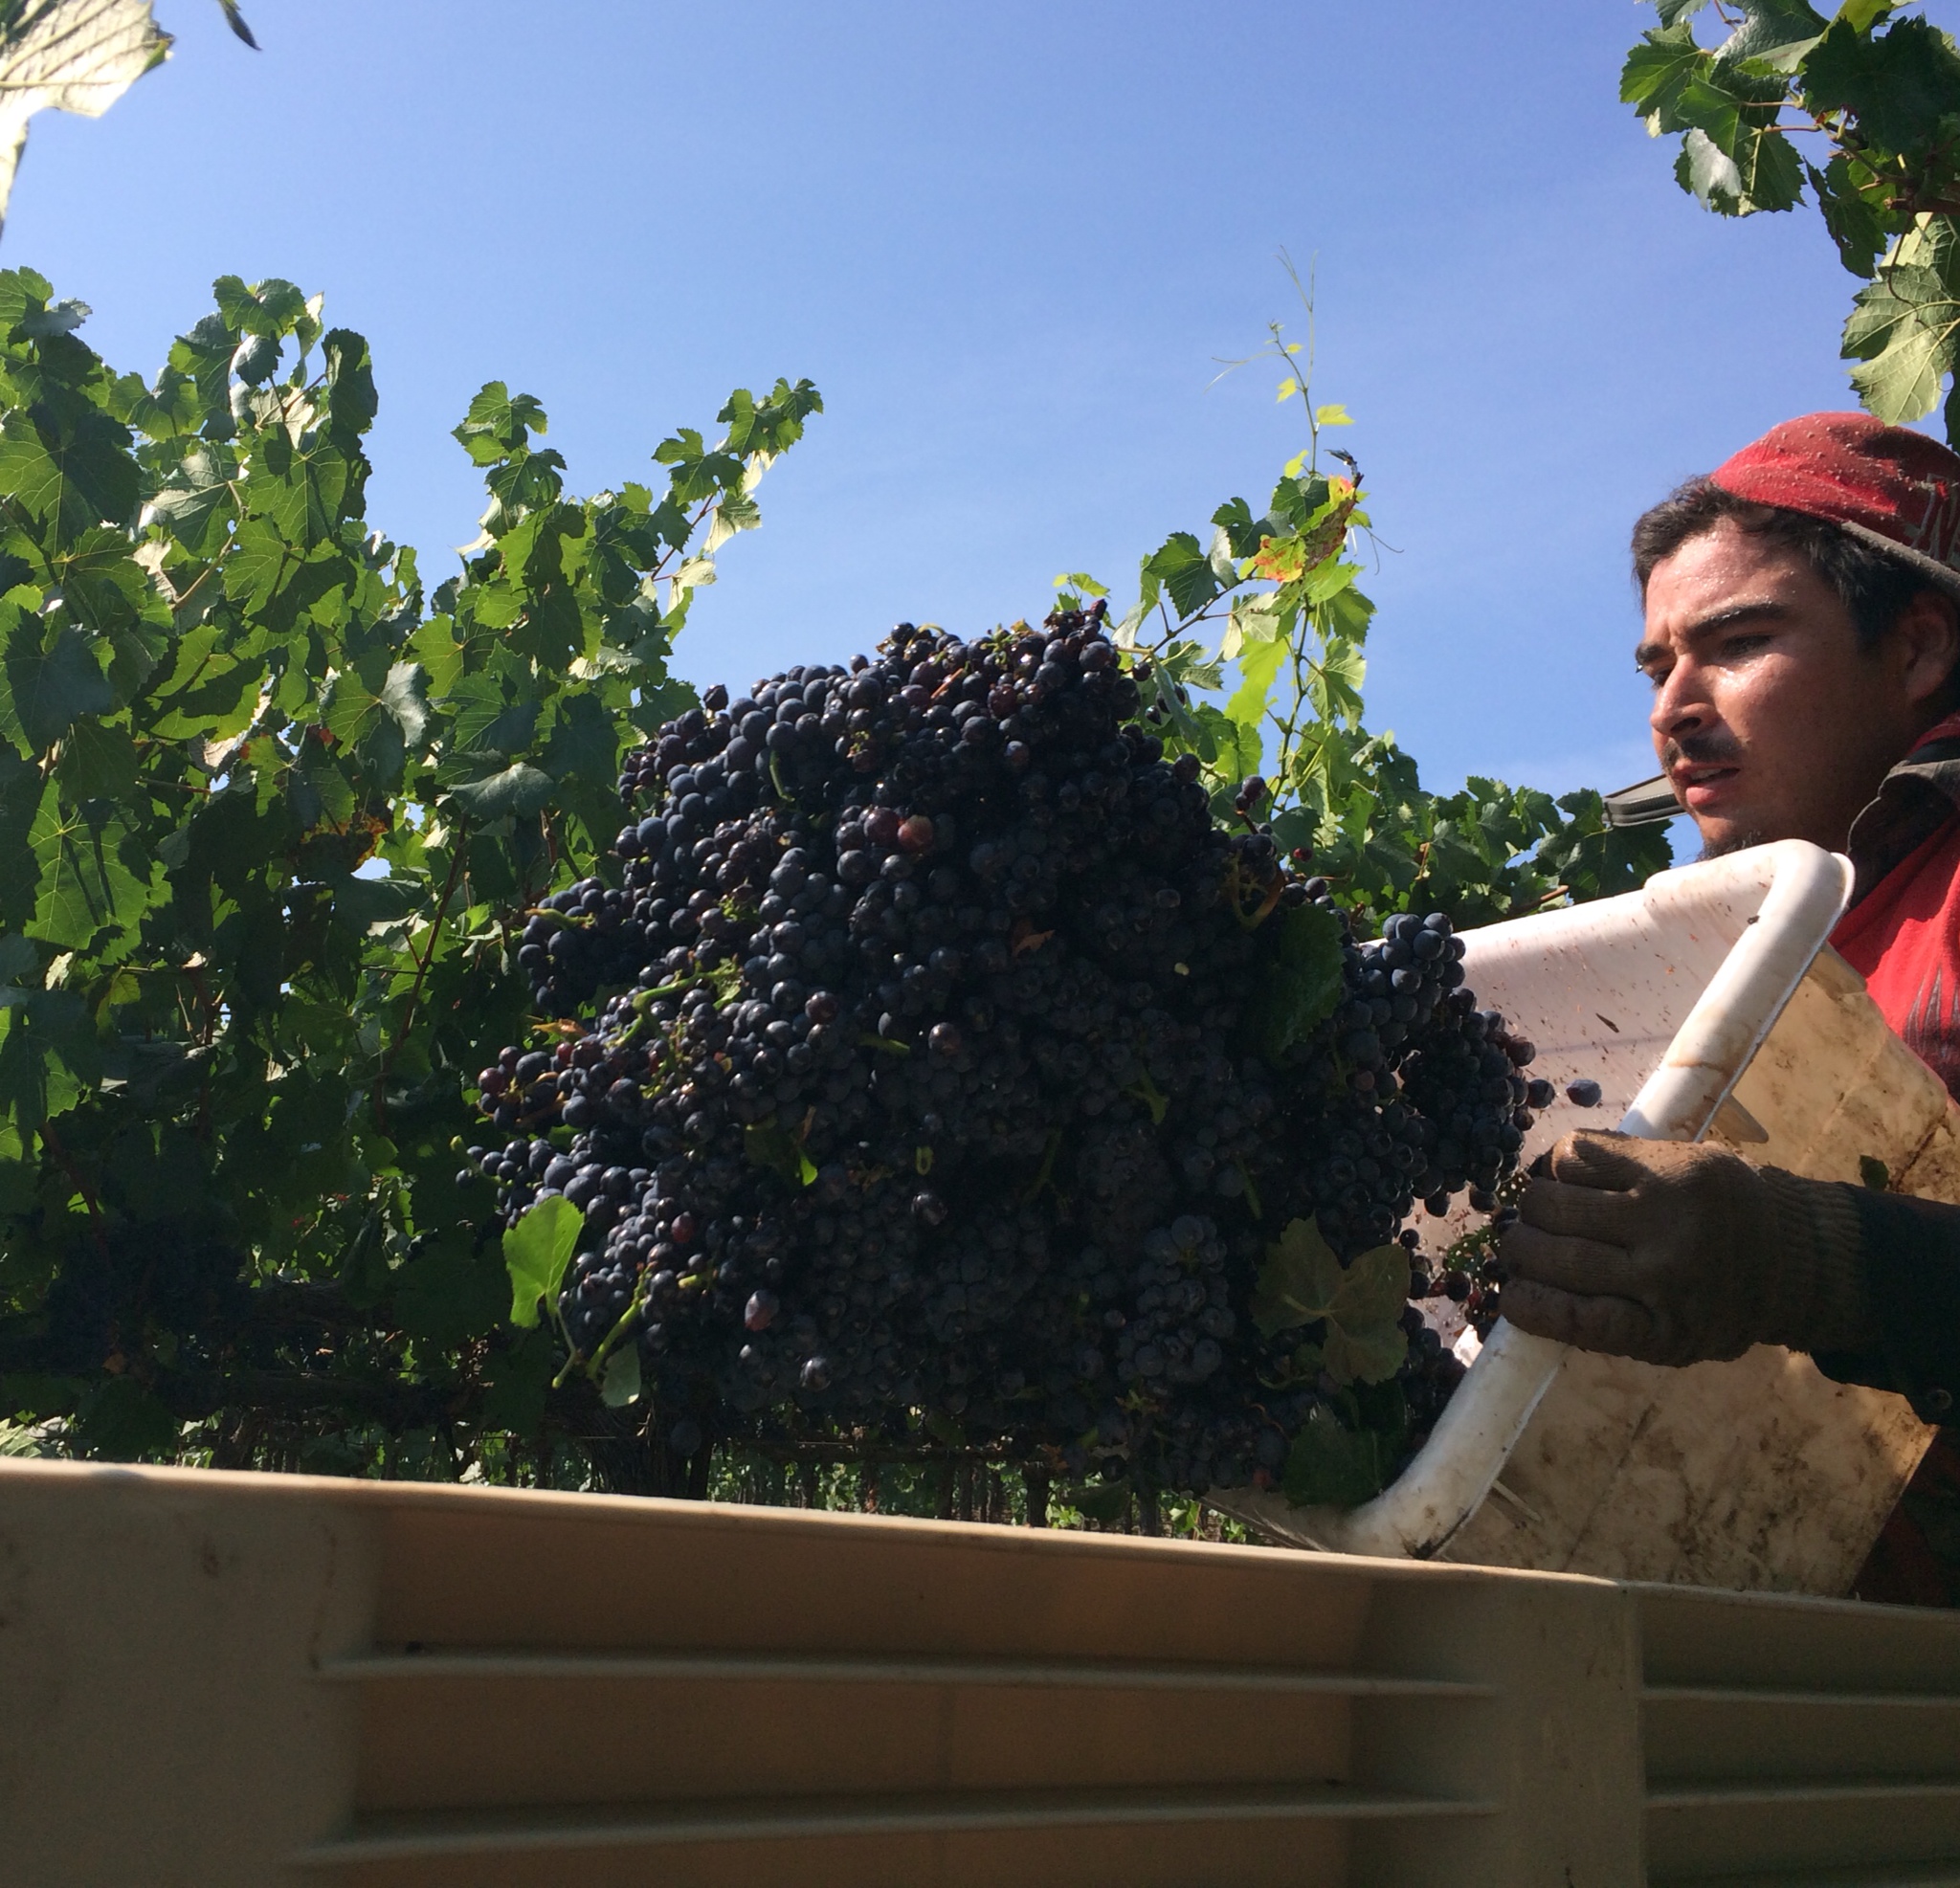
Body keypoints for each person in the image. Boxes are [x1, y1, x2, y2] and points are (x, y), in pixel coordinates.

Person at [1498, 411, 1960, 1605]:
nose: (1672, 707)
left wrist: (1805, 1258)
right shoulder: (1742, 952)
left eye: (1737, 641)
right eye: (1656, 666)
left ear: (1914, 650)